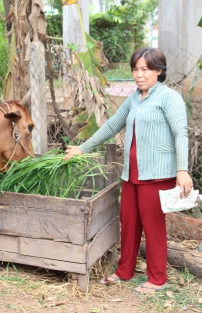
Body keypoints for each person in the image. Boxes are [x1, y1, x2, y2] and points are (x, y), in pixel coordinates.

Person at [64, 47, 193, 294]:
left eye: (145, 69)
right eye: (135, 69)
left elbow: (180, 133)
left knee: (153, 225)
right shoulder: (134, 98)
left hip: (156, 175)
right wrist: (84, 147)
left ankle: (157, 279)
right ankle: (125, 271)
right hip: (131, 175)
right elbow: (113, 125)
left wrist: (182, 169)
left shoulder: (169, 98)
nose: (139, 75)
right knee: (129, 223)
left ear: (158, 70)